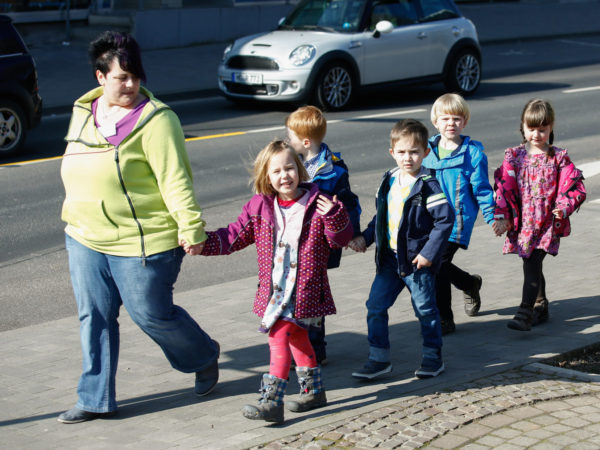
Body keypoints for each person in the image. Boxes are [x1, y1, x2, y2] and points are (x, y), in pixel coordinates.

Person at [58, 31, 219, 424]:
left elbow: (175, 178)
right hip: (84, 236)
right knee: (93, 316)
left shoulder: (157, 121)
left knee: (150, 313)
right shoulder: (84, 111)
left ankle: (202, 356)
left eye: (135, 76)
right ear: (100, 77)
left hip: (142, 239)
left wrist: (191, 226)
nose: (130, 85)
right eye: (120, 77)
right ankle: (94, 398)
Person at [186, 140, 352, 424]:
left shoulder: (319, 203)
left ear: (299, 170)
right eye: (276, 171)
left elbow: (340, 240)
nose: (284, 175)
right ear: (266, 176)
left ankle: (271, 401)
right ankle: (314, 392)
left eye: (289, 168)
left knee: (278, 338)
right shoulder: (260, 206)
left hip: (304, 290)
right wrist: (203, 244)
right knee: (297, 337)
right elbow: (233, 237)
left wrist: (335, 217)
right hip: (275, 290)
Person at [348, 119, 454, 380]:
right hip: (389, 260)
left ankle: (432, 358)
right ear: (392, 152)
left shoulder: (429, 185)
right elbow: (381, 218)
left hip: (417, 262)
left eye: (415, 152)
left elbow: (445, 219)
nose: (408, 158)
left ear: (426, 153)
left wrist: (429, 253)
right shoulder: (388, 181)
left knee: (425, 310)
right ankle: (379, 358)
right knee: (375, 305)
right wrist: (366, 238)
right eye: (402, 152)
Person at [494, 98, 586, 331]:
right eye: (531, 128)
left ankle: (525, 312)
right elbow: (504, 187)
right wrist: (502, 217)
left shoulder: (558, 157)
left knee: (532, 263)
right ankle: (541, 305)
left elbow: (574, 186)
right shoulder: (513, 156)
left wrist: (564, 206)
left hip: (547, 222)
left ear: (551, 127)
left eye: (542, 129)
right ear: (522, 127)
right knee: (530, 261)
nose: (536, 134)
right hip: (524, 222)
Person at [285, 105, 361, 365]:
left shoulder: (335, 171)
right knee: (294, 293)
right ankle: (297, 342)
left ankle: (316, 349)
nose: (287, 141)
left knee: (312, 295)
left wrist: (351, 233)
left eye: (291, 137)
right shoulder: (289, 164)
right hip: (293, 241)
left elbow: (349, 203)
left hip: (320, 244)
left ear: (305, 142)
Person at [423, 93, 500, 335]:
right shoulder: (427, 151)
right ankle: (469, 283)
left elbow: (482, 189)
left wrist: (492, 217)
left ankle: (445, 318)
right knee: (436, 266)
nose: (451, 123)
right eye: (445, 118)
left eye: (457, 118)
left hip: (457, 220)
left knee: (438, 262)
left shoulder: (473, 155)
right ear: (436, 121)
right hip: (430, 220)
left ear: (464, 122)